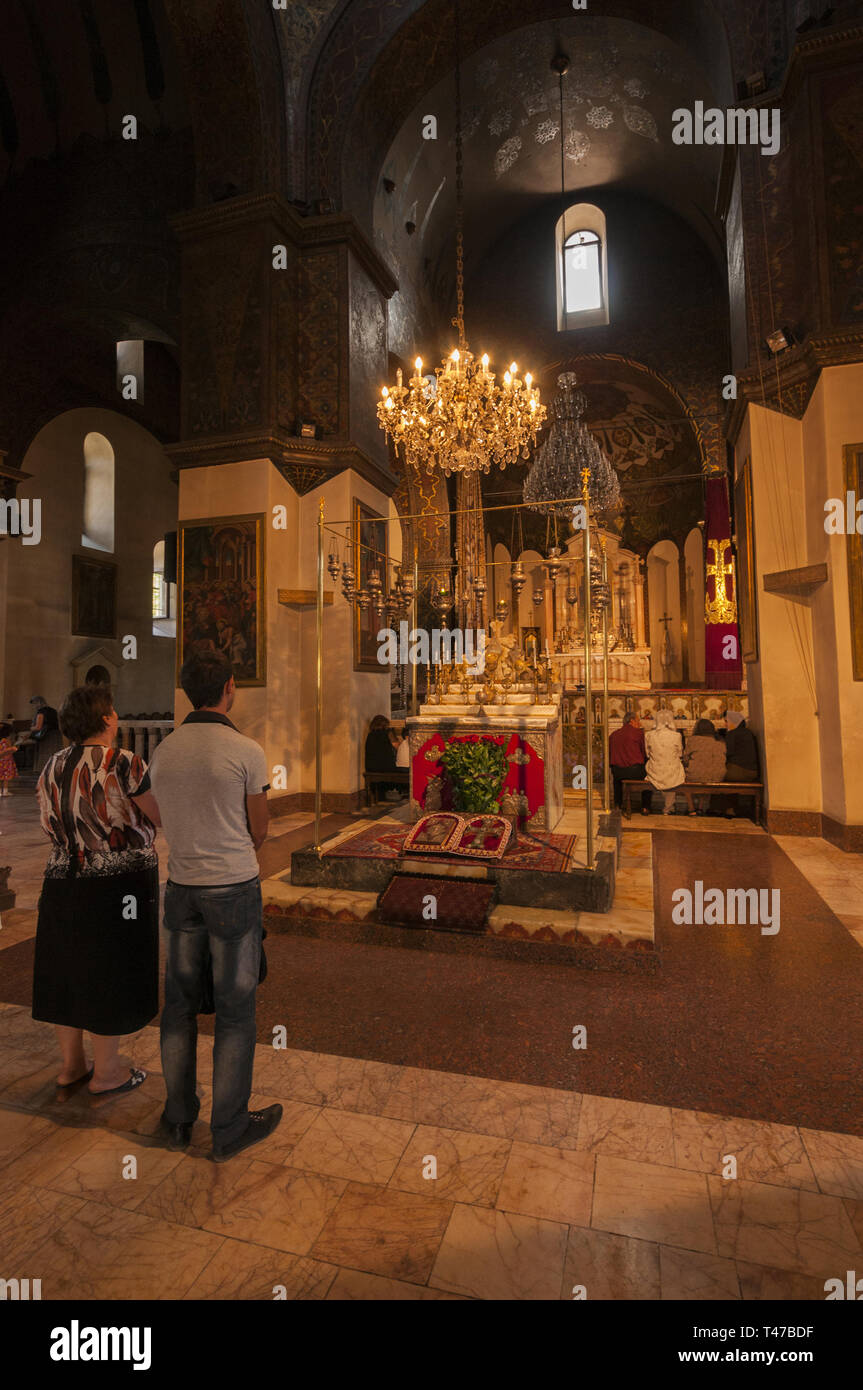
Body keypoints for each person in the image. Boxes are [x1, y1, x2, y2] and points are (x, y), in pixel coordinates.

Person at [148, 648, 282, 1161]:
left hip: (180, 887)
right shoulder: (245, 750)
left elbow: (163, 817)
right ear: (229, 687)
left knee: (178, 1007)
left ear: (187, 692)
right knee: (234, 1010)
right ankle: (228, 1128)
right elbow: (261, 828)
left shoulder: (165, 750)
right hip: (232, 888)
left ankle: (178, 1118)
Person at [32, 684, 160, 1094]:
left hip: (60, 877)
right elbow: (158, 813)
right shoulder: (124, 762)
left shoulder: (51, 763)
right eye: (114, 711)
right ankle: (107, 1073)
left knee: (65, 968)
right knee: (111, 966)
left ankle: (72, 1066)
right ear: (106, 719)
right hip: (118, 883)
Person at [644, 709, 686, 816]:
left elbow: (647, 754)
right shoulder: (676, 736)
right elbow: (680, 754)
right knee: (674, 771)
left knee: (665, 769)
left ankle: (667, 807)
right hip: (672, 770)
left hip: (655, 770)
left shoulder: (648, 735)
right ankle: (668, 808)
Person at [608, 711, 651, 814]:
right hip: (634, 771)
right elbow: (643, 752)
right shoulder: (639, 733)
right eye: (638, 721)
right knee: (649, 776)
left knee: (616, 780)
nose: (640, 724)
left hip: (618, 771)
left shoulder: (613, 735)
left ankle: (617, 805)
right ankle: (645, 806)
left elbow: (610, 754)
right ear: (632, 721)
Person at [683, 717, 727, 815]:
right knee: (705, 772)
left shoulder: (693, 740)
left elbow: (685, 759)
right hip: (718, 775)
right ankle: (700, 807)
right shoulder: (720, 740)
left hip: (697, 775)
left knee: (685, 780)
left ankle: (691, 809)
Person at [723, 710, 760, 818]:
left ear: (734, 721)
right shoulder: (748, 732)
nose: (725, 724)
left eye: (726, 721)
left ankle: (728, 809)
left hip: (740, 770)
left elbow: (728, 752)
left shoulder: (732, 733)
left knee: (719, 775)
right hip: (753, 770)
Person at [364, 713, 399, 799]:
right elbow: (397, 746)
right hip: (386, 766)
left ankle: (380, 793)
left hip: (371, 766)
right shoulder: (388, 732)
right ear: (385, 724)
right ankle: (394, 791)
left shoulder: (370, 735)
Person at [0, 721, 18, 795]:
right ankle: (5, 791)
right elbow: (11, 749)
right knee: (5, 778)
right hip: (6, 762)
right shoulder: (6, 740)